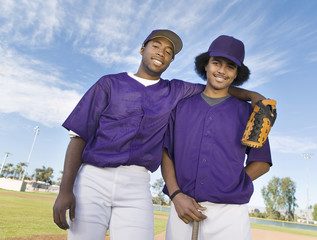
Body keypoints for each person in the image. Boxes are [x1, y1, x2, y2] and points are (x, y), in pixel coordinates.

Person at [52, 29, 265, 240]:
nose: (161, 53)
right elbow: (79, 136)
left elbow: (217, 88)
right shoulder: (109, 83)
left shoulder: (176, 91)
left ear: (171, 60)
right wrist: (65, 190)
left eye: (168, 51)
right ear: (143, 48)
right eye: (156, 46)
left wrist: (252, 96)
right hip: (94, 177)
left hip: (136, 182)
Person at [161, 35, 273, 240]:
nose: (222, 70)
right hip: (182, 208)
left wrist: (233, 183)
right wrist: (176, 195)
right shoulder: (182, 105)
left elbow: (262, 162)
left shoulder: (250, 112)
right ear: (206, 65)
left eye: (230, 66)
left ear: (237, 73)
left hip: (230, 214)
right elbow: (166, 153)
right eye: (216, 63)